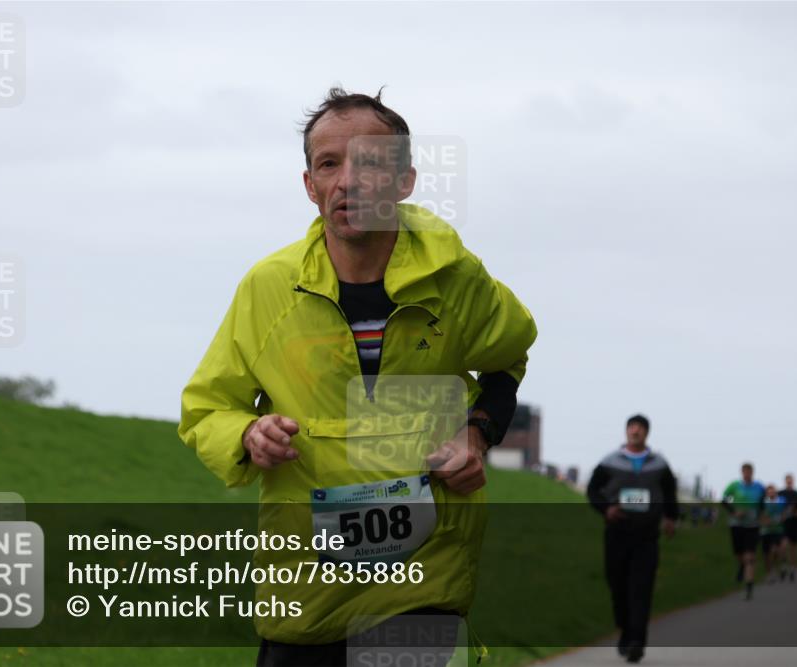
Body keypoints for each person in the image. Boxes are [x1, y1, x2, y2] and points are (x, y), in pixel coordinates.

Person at [178, 87, 537, 667]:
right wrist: (248, 435)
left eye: (370, 162)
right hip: (305, 589)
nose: (349, 180)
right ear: (310, 185)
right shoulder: (266, 288)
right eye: (329, 164)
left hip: (422, 576)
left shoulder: (457, 278)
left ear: (405, 181)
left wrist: (476, 433)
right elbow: (208, 407)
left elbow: (506, 360)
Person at [586, 414, 679, 663]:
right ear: (626, 431)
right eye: (632, 427)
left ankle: (637, 640)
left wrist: (671, 518)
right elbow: (592, 490)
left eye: (640, 428)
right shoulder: (610, 462)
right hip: (617, 532)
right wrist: (607, 509)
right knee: (618, 586)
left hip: (647, 534)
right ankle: (626, 631)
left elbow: (670, 492)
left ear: (647, 433)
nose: (635, 431)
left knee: (641, 586)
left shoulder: (658, 464)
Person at [721, 463, 765, 600]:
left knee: (750, 557)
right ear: (742, 472)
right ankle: (741, 565)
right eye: (745, 472)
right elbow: (723, 500)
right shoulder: (734, 485)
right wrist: (734, 512)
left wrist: (762, 515)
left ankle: (749, 588)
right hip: (736, 525)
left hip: (753, 525)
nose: (747, 474)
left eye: (749, 472)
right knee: (739, 554)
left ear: (753, 472)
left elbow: (763, 503)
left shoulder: (759, 487)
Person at [778, 474, 797, 582]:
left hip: (795, 524)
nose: (789, 482)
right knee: (783, 546)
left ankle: (793, 569)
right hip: (783, 524)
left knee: (793, 548)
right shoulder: (780, 494)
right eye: (787, 480)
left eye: (791, 480)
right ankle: (784, 565)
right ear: (785, 481)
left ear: (793, 481)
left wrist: (795, 512)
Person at [760, 484, 787, 583]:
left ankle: (780, 567)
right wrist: (765, 521)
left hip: (778, 530)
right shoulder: (764, 502)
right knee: (767, 554)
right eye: (769, 491)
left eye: (772, 491)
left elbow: (785, 513)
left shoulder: (781, 501)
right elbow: (760, 515)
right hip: (765, 531)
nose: (771, 493)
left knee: (776, 550)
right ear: (767, 493)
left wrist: (781, 519)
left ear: (775, 492)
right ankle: (770, 573)